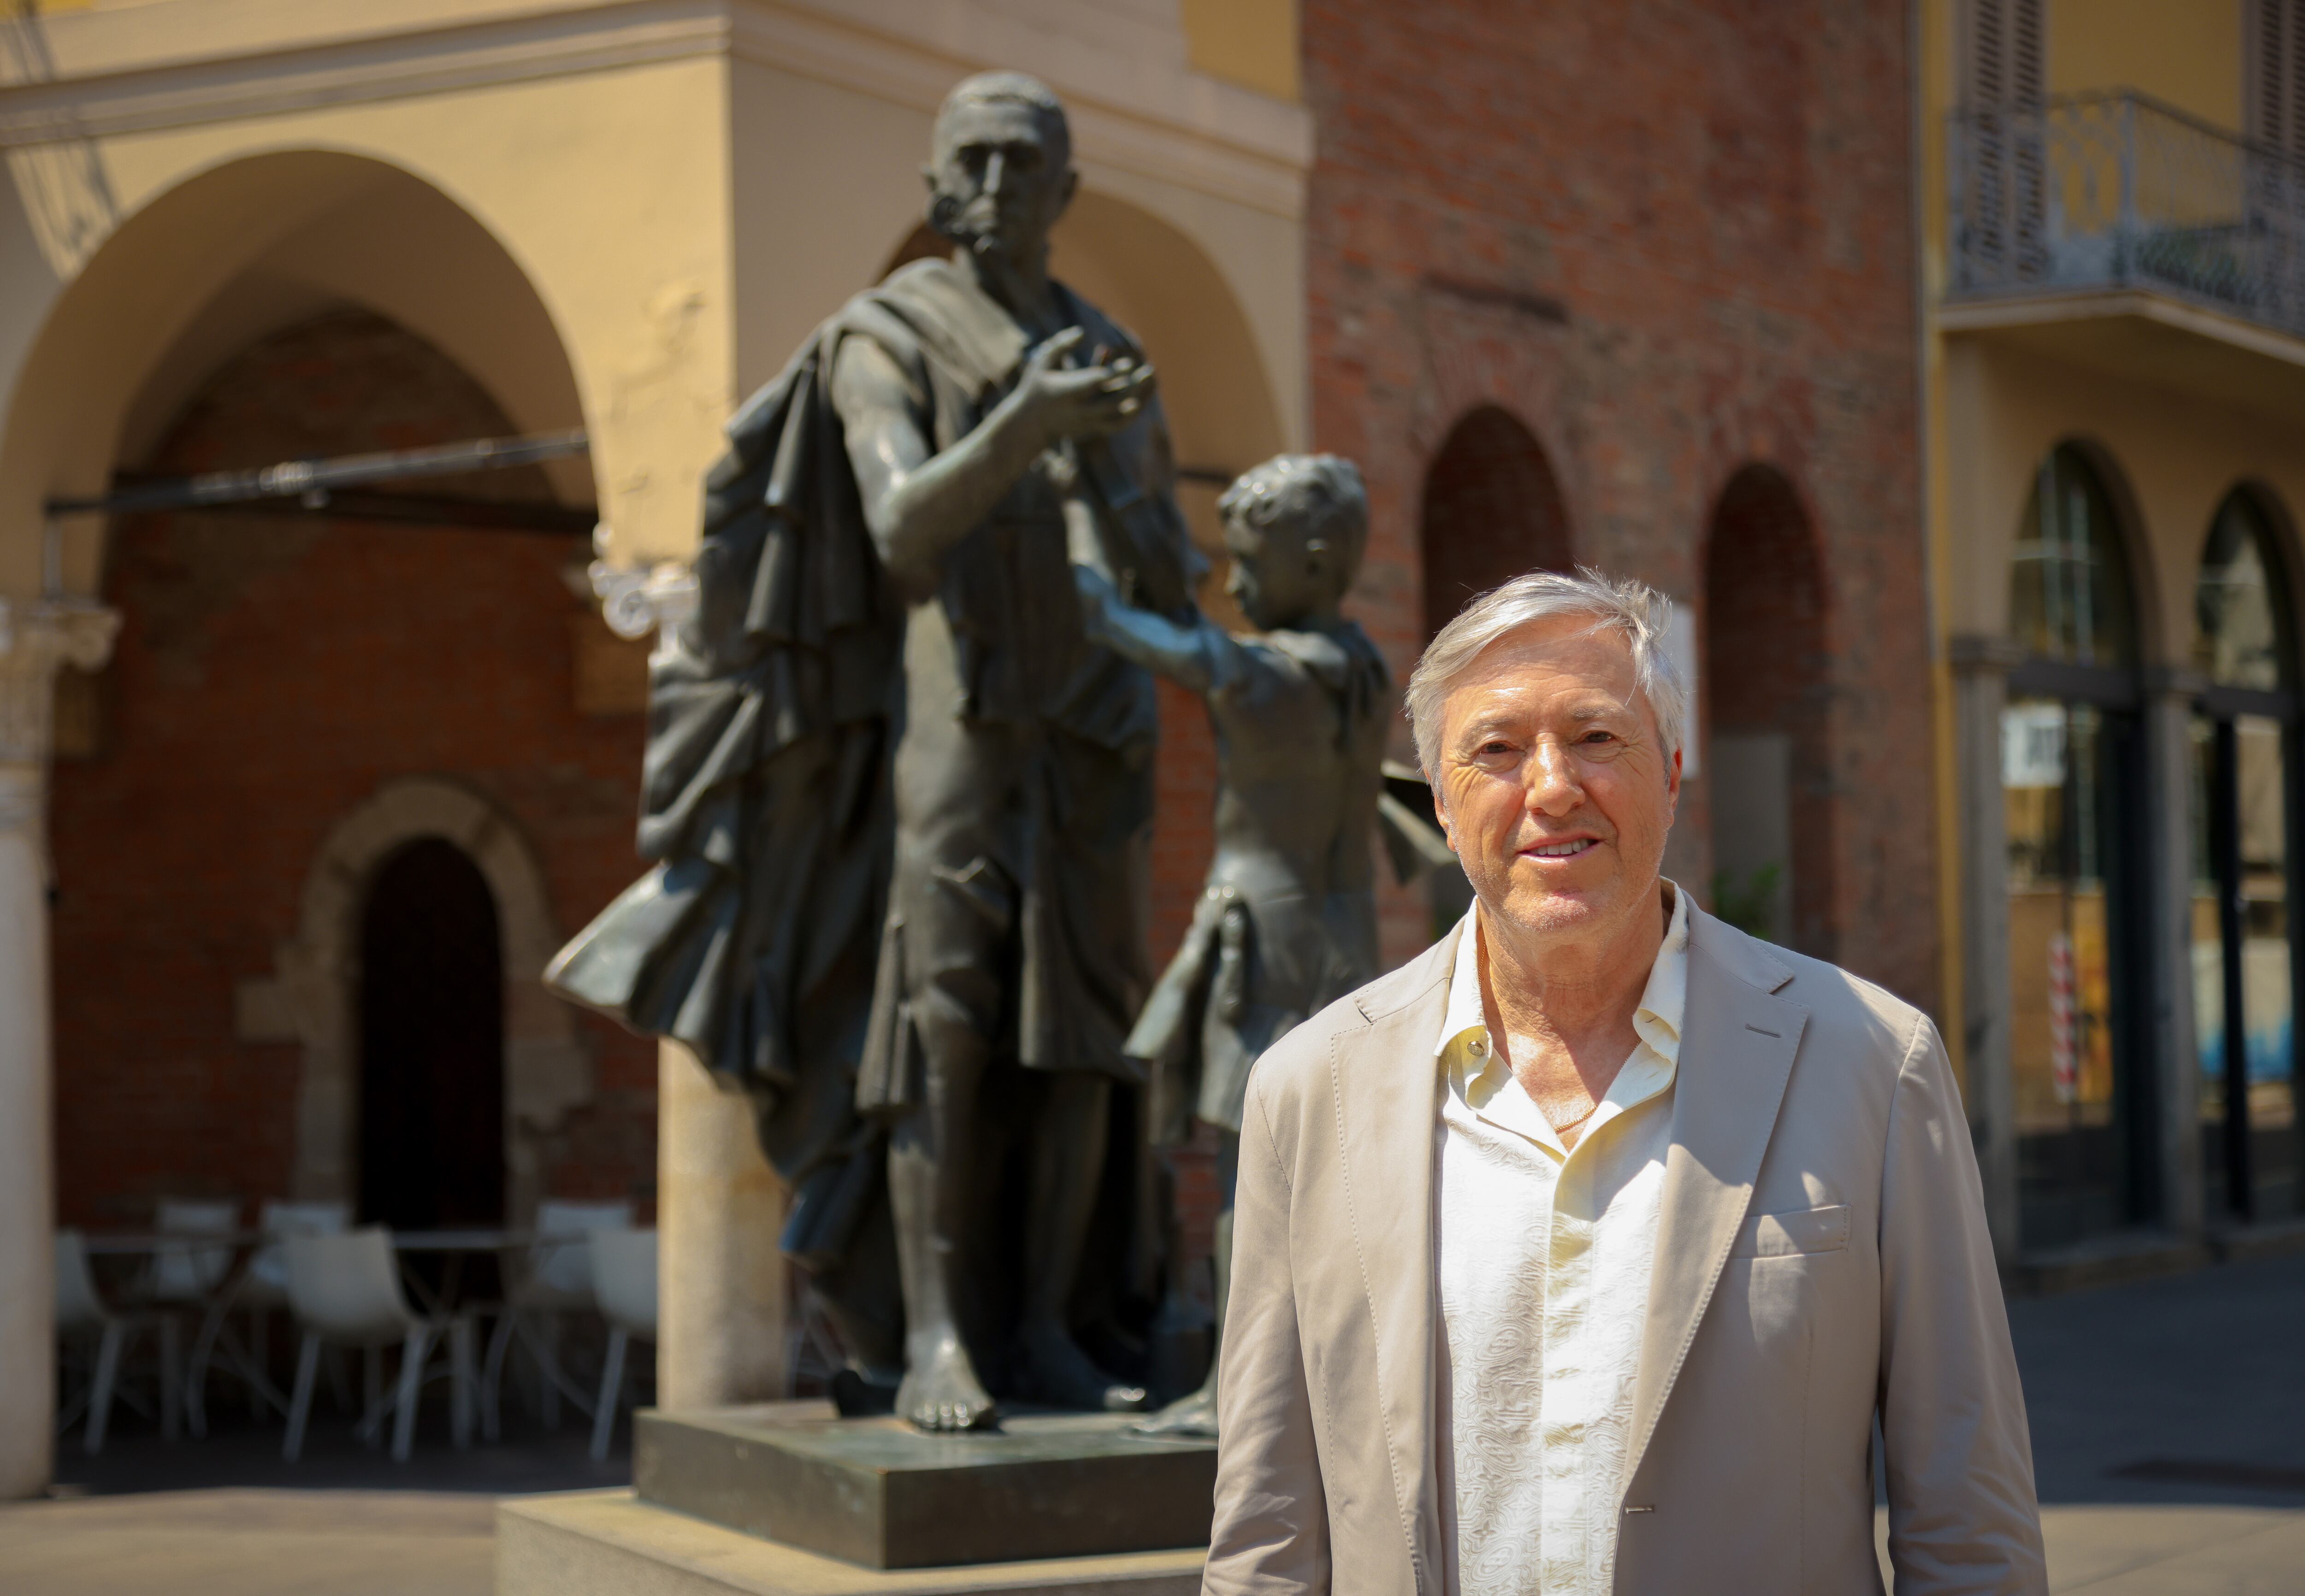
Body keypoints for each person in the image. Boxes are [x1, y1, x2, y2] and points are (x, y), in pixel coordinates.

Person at [547, 71, 1196, 1432]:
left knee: (1082, 1041)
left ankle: (1047, 1328)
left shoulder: (1104, 347)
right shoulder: (886, 335)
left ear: (1068, 190)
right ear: (937, 188)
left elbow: (1167, 574)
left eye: (1028, 163)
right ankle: (942, 1335)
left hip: (1090, 728)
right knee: (939, 1027)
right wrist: (1029, 427)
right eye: (975, 160)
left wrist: (1113, 481)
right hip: (952, 720)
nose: (1000, 186)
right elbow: (902, 523)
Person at [1204, 569, 2046, 1594]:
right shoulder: (1309, 1090)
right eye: (1496, 751)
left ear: (1674, 767)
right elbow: (1266, 1533)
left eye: (1597, 737)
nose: (1551, 786)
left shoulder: (1871, 1059)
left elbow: (1967, 1514)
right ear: (1440, 799)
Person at [1061, 453, 1391, 1438]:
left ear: (1320, 561)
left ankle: (1234, 1394)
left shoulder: (1273, 677)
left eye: (1249, 564)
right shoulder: (1365, 665)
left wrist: (1079, 504)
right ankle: (1304, 1389)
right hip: (1343, 938)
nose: (1233, 584)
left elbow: (1111, 624)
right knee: (1316, 1178)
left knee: (1254, 1176)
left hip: (1269, 947)